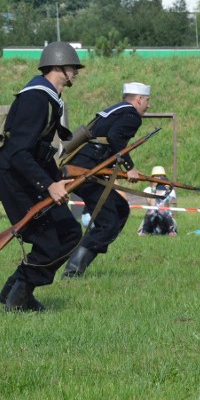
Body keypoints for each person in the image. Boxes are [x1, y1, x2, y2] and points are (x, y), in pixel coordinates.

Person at [0, 41, 85, 311]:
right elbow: (20, 152)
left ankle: (14, 292)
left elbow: (39, 150)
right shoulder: (36, 98)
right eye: (72, 67)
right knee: (47, 240)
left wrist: (59, 177)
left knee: (69, 232)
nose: (76, 71)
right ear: (59, 67)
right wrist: (48, 184)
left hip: (32, 178)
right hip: (17, 181)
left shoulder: (48, 98)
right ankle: (18, 300)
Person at [62, 82, 150, 277]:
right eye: (147, 101)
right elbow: (116, 138)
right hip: (87, 170)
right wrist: (131, 168)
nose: (148, 106)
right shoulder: (132, 115)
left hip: (87, 166)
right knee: (108, 224)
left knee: (121, 209)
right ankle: (72, 271)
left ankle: (84, 255)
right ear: (139, 99)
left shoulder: (115, 111)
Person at [139, 165, 178, 236]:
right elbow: (152, 205)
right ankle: (145, 231)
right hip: (152, 220)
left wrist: (167, 192)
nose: (158, 179)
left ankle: (171, 231)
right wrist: (153, 188)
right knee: (152, 211)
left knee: (162, 210)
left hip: (165, 220)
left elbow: (165, 206)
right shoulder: (148, 190)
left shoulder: (170, 191)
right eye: (156, 177)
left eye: (160, 176)